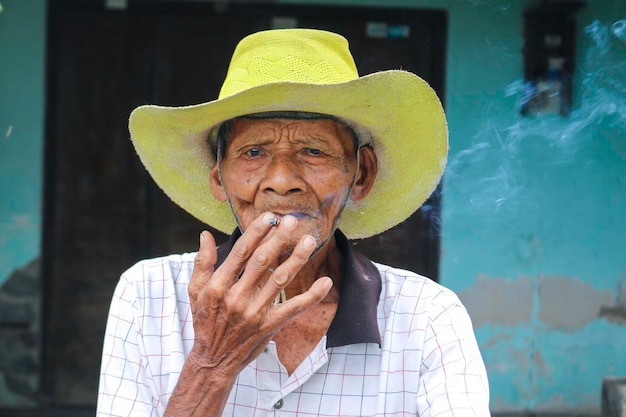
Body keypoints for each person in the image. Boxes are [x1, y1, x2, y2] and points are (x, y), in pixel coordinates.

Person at [97, 28, 490, 416]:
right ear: (218, 177)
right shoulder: (148, 295)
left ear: (362, 174)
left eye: (313, 151)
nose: (282, 182)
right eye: (253, 152)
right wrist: (211, 362)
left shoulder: (427, 317)